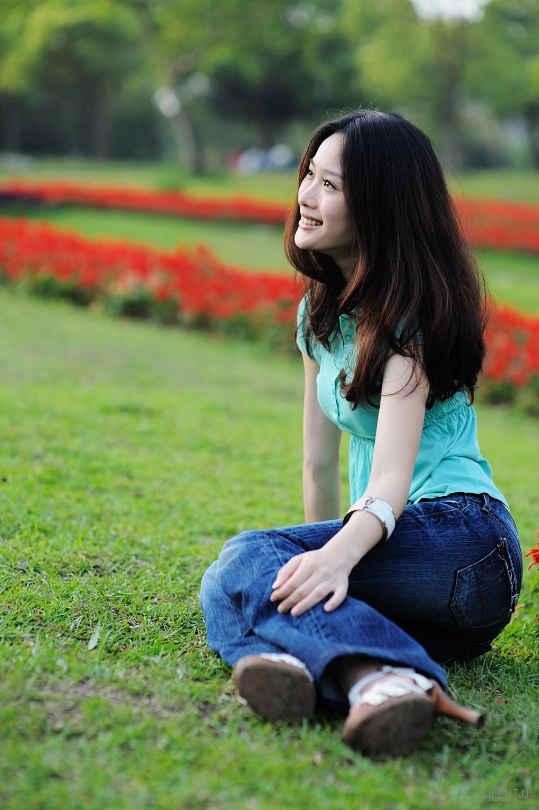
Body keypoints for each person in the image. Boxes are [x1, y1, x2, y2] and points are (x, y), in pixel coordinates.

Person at [199, 110, 523, 757]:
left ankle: (328, 666)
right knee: (234, 581)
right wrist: (311, 572)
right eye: (308, 175)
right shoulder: (317, 315)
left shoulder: (410, 318)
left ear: (381, 206)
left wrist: (335, 557)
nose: (305, 195)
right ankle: (373, 678)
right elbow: (316, 465)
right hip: (413, 585)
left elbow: (393, 479)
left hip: (463, 541)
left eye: (331, 185)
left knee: (240, 562)